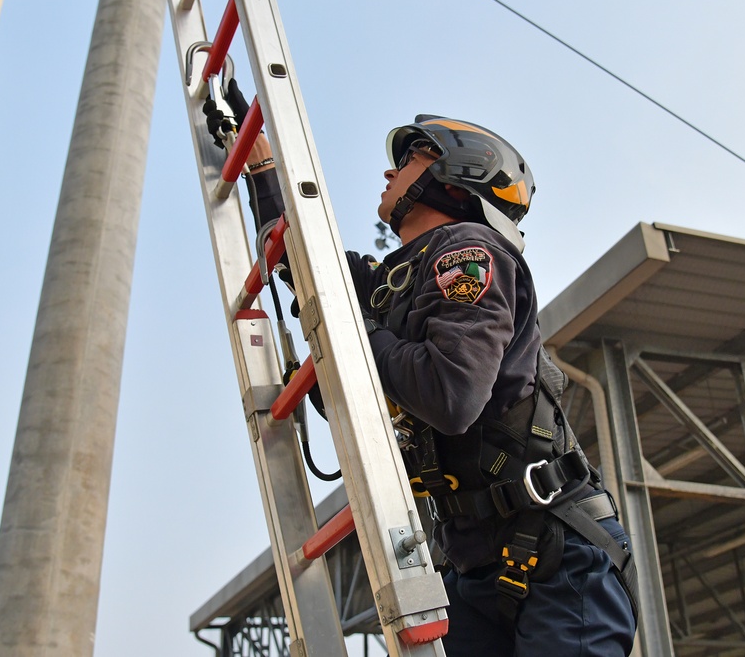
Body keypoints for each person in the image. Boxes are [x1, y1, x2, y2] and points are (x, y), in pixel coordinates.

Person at [206, 81, 639, 656]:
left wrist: (357, 336)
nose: (390, 174)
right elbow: (303, 266)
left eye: (410, 159)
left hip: (557, 560)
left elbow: (449, 392)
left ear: (458, 174)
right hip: (475, 565)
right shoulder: (396, 279)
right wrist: (261, 166)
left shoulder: (469, 251)